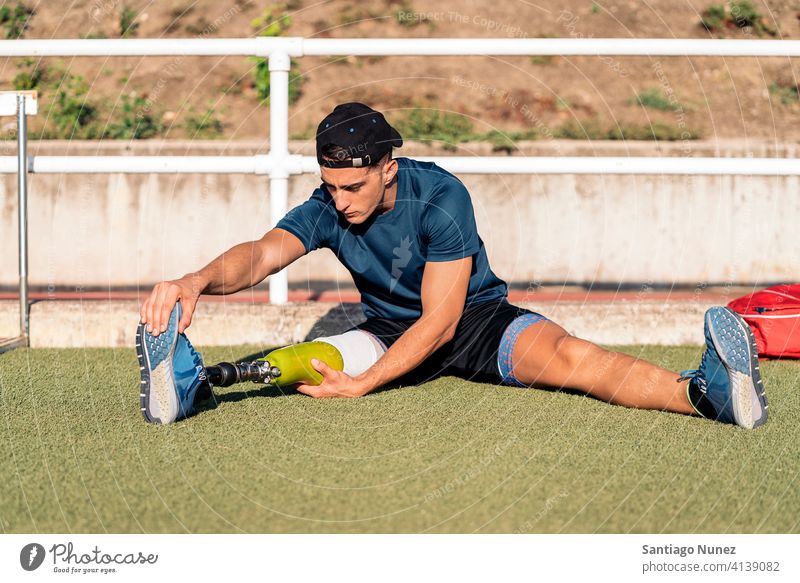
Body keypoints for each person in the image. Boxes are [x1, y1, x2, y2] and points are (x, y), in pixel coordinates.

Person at [137, 102, 768, 429]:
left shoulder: (440, 197)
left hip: (475, 323)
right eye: (329, 187)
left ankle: (704, 393)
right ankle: (196, 384)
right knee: (315, 358)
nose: (339, 200)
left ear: (387, 167)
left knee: (578, 361)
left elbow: (440, 324)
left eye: (351, 187)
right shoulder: (329, 204)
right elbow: (261, 253)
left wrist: (365, 383)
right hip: (386, 329)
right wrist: (194, 281)